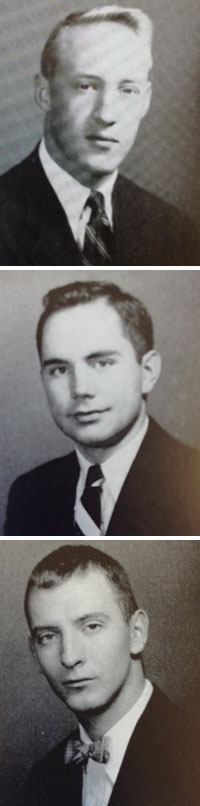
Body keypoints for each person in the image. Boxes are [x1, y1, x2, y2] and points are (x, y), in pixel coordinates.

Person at [0, 6, 199, 266]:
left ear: (145, 101)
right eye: (86, 86)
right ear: (44, 94)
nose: (107, 115)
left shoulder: (175, 230)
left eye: (127, 90)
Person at [5, 279, 200, 536]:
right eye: (59, 370)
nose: (81, 388)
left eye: (102, 363)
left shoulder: (191, 482)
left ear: (148, 371)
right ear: (43, 378)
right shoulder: (29, 493)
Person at [21, 543, 198, 806]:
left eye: (91, 626)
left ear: (136, 632)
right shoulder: (44, 779)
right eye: (48, 636)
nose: (69, 657)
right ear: (35, 654)